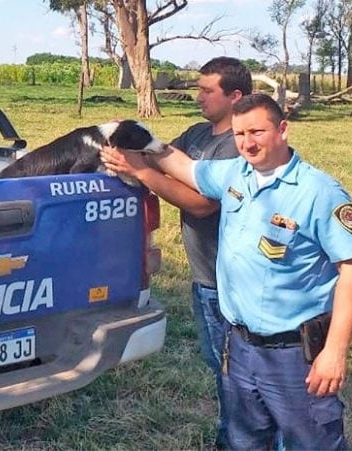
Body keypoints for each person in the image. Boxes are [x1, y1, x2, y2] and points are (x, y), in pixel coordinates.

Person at [102, 93, 352, 449]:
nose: (247, 142)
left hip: (296, 356)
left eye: (257, 132)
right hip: (240, 348)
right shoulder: (234, 174)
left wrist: (334, 351)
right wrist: (140, 142)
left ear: (283, 130)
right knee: (243, 441)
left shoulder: (319, 192)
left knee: (311, 443)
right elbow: (183, 167)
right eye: (240, 134)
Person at [105, 56, 253, 447]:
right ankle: (236, 432)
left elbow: (203, 203)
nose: (198, 96)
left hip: (233, 282)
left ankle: (242, 438)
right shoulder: (198, 135)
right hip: (204, 277)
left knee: (236, 370)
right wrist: (120, 142)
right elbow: (160, 157)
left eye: (208, 90)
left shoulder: (236, 146)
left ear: (235, 96)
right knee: (217, 363)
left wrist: (142, 172)